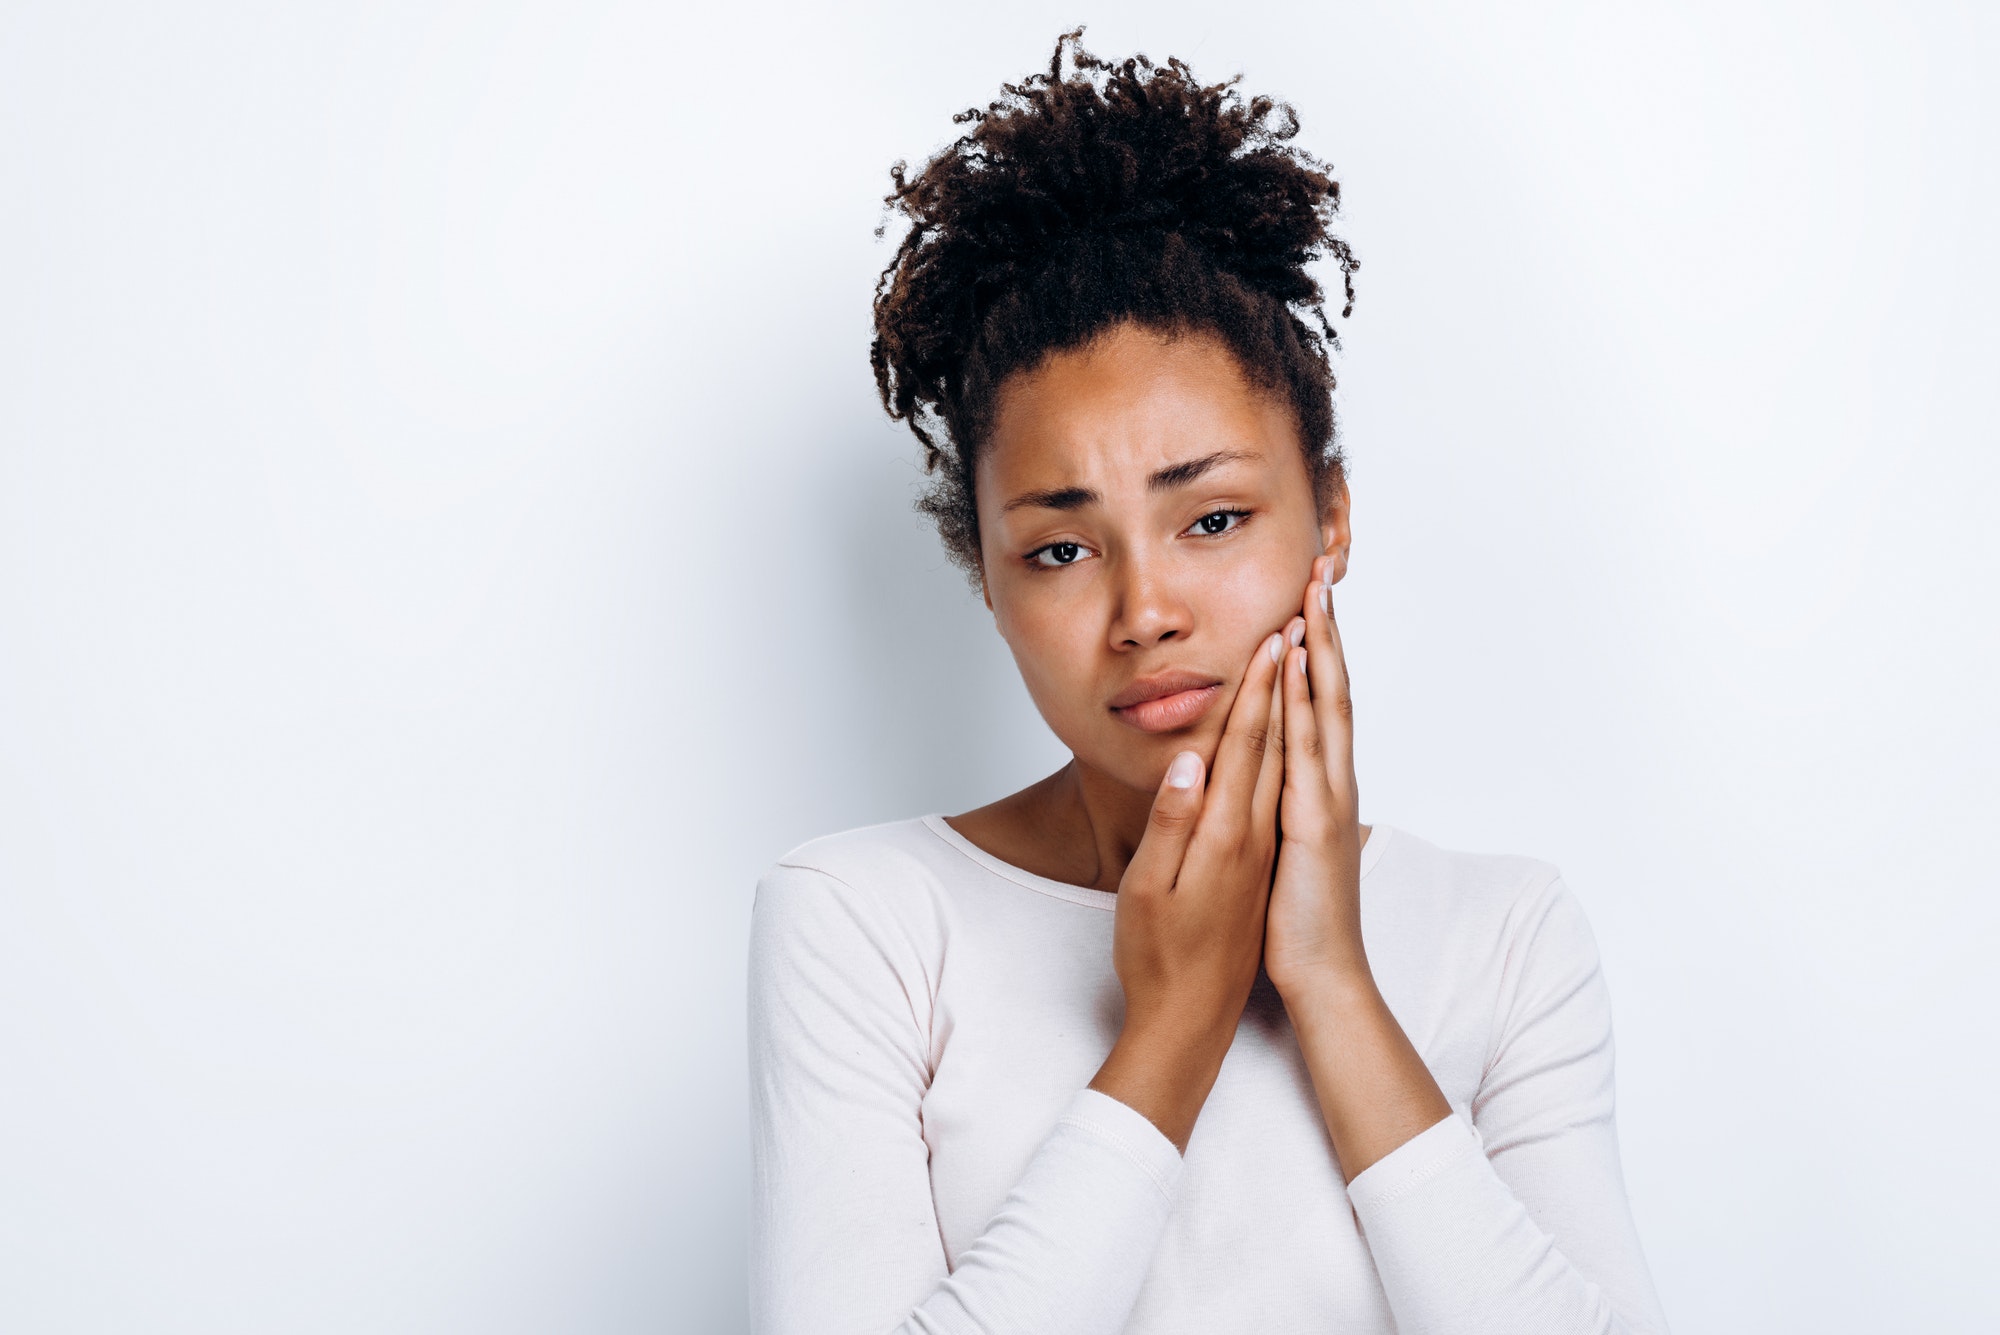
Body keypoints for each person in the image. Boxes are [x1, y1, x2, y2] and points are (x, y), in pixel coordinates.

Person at [746, 29, 1671, 1335]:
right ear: (987, 580)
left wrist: (1334, 986)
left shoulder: (1504, 937)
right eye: (1062, 548)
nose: (1145, 612)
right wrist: (1171, 1031)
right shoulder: (865, 926)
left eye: (1214, 519)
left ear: (1330, 514)